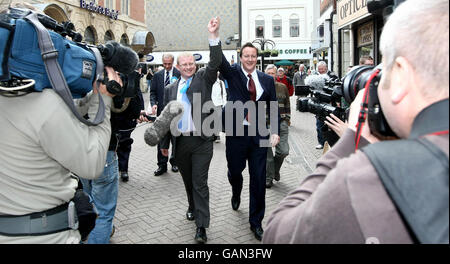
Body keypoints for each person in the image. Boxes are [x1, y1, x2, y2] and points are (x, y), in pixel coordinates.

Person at [263, 0, 449, 244]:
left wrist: (353, 138)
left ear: (402, 76)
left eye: (385, 72)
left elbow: (278, 235)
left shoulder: (374, 175)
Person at [0, 66, 118, 243]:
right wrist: (103, 100)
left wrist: (91, 97)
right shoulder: (42, 102)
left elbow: (66, 114)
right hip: (48, 235)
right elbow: (92, 164)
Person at [159, 17, 222, 244]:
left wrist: (213, 36)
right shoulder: (170, 89)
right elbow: (165, 119)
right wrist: (164, 145)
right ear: (177, 67)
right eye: (184, 64)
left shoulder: (204, 78)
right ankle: (191, 206)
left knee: (200, 182)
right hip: (180, 142)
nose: (188, 67)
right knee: (188, 181)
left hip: (202, 140)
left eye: (191, 63)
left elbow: (215, 61)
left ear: (194, 64)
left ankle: (201, 227)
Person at [219, 41, 280, 241]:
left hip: (259, 134)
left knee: (259, 179)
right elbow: (219, 61)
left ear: (257, 58)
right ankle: (236, 191)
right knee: (235, 171)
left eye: (253, 56)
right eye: (246, 56)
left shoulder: (266, 80)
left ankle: (256, 222)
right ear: (241, 57)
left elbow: (273, 107)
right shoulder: (233, 74)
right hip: (236, 133)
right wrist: (214, 36)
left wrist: (275, 131)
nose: (250, 59)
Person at [147, 53, 181, 176]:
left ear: (173, 62)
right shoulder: (157, 76)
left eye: (169, 64)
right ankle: (162, 165)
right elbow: (153, 93)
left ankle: (175, 162)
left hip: (176, 114)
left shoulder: (179, 74)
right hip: (162, 113)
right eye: (165, 64)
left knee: (176, 139)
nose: (167, 66)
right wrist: (153, 104)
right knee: (161, 139)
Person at [264, 65, 290, 188]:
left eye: (272, 73)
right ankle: (268, 178)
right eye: (268, 73)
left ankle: (275, 170)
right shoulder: (260, 88)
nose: (270, 75)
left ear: (276, 74)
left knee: (283, 151)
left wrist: (287, 119)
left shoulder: (282, 87)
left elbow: (287, 104)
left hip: (281, 123)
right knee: (267, 154)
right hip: (264, 124)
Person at [211, 72, 227, 143]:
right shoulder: (209, 82)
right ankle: (212, 135)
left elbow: (224, 93)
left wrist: (224, 103)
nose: (216, 73)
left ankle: (217, 135)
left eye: (217, 72)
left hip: (218, 104)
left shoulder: (221, 83)